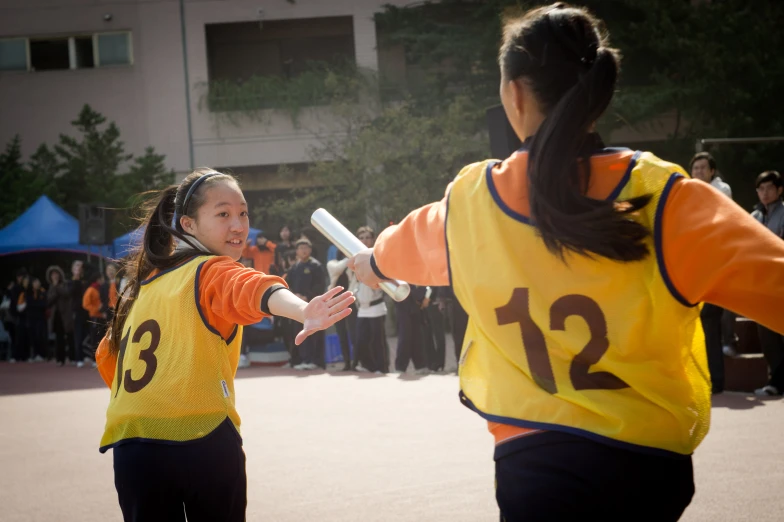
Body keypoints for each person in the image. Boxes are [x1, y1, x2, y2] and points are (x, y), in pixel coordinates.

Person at [348, 4, 784, 520]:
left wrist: (372, 263)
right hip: (649, 466)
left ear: (513, 94)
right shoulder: (668, 199)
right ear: (597, 93)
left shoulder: (470, 202)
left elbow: (396, 250)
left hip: (533, 463)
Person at [94, 168, 353, 522]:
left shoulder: (142, 287)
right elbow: (255, 288)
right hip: (201, 437)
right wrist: (303, 309)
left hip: (131, 445)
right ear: (188, 224)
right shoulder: (210, 269)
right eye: (223, 213)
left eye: (243, 213)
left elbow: (107, 359)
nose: (238, 225)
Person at [751, 170, 784, 396]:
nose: (765, 193)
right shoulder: (753, 217)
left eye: (769, 188)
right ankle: (776, 382)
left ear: (779, 190)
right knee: (767, 334)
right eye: (761, 189)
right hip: (763, 283)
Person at [285, 237, 327, 370]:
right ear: (296, 251)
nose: (304, 250)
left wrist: (307, 296)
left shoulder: (316, 266)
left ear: (310, 250)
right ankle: (298, 359)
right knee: (297, 332)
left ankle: (315, 360)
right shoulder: (294, 268)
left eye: (306, 248)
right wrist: (295, 296)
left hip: (313, 306)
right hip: (298, 307)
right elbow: (287, 285)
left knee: (313, 333)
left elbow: (320, 285)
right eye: (301, 248)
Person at [353, 226, 389, 374]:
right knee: (361, 340)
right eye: (362, 237)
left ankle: (382, 367)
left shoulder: (377, 255)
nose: (365, 240)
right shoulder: (355, 256)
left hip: (376, 306)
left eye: (368, 237)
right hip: (362, 307)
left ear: (373, 239)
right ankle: (369, 365)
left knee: (378, 341)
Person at [327, 250, 358, 371]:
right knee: (341, 333)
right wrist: (349, 259)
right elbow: (336, 269)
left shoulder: (352, 266)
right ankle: (347, 362)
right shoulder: (331, 263)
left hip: (350, 302)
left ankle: (355, 362)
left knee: (353, 333)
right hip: (336, 303)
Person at [47, 265, 73, 367]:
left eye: (56, 274)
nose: (54, 276)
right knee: (59, 337)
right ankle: (60, 358)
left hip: (66, 315)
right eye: (52, 274)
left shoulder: (64, 284)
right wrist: (55, 288)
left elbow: (66, 294)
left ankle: (72, 357)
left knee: (70, 336)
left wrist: (57, 287)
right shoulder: (50, 287)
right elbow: (49, 301)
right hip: (56, 316)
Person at [69, 260, 89, 368]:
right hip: (77, 312)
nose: (78, 268)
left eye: (79, 267)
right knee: (78, 335)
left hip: (86, 311)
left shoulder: (85, 280)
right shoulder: (71, 282)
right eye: (76, 266)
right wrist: (76, 278)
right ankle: (79, 358)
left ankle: (88, 355)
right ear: (72, 269)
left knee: (89, 334)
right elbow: (71, 292)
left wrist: (83, 264)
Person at [26, 277, 49, 362]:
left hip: (41, 318)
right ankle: (34, 354)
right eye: (34, 282)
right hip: (31, 318)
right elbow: (29, 304)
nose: (36, 284)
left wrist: (35, 304)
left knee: (40, 336)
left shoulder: (43, 292)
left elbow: (44, 304)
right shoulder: (29, 293)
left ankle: (43, 354)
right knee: (33, 336)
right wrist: (37, 304)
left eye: (37, 282)